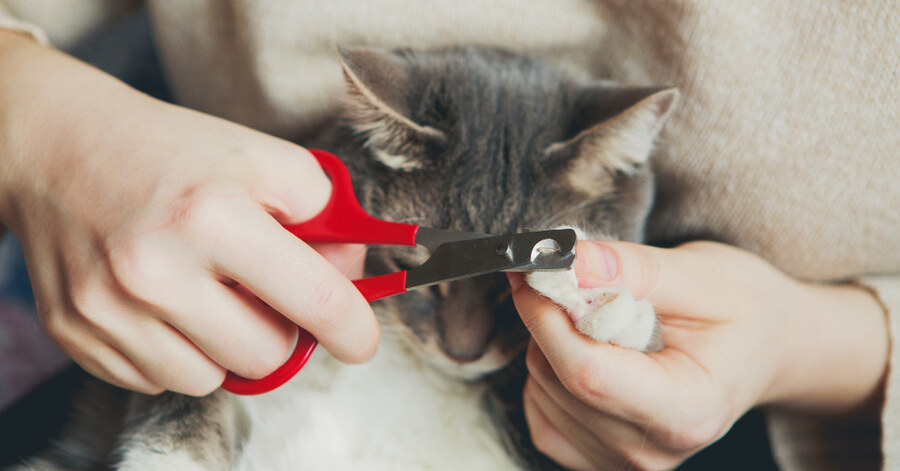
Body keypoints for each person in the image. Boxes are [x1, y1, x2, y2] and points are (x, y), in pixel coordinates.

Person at [0, 2, 897, 470]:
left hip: (742, 429)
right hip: (218, 258)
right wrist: (41, 126)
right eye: (430, 274)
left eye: (494, 286)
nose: (462, 340)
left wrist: (805, 344)